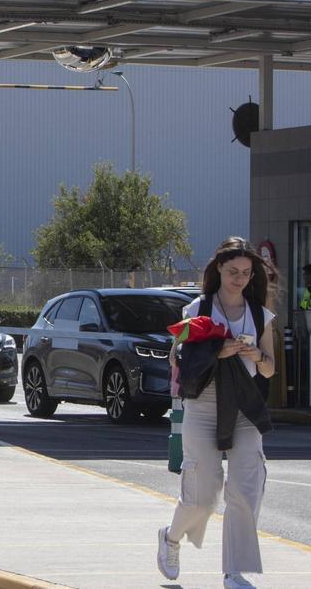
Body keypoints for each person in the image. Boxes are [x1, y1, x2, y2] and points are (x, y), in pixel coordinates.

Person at [157, 237, 277, 589]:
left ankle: (235, 572)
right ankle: (171, 537)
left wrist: (255, 356)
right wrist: (218, 351)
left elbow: (270, 370)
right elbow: (176, 358)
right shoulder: (197, 309)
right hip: (204, 405)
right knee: (202, 495)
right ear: (218, 271)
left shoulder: (260, 315)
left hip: (244, 407)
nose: (239, 279)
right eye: (232, 272)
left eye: (245, 273)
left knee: (244, 490)